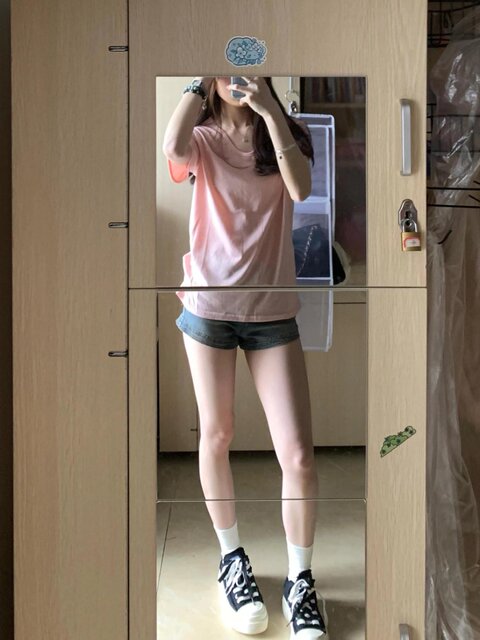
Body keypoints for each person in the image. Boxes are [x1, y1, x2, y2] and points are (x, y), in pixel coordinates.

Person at [162, 76, 328, 638]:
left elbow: (300, 190)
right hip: (209, 307)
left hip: (272, 311)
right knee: (217, 434)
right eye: (226, 66)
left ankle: (300, 579)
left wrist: (269, 110)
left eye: (247, 64)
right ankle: (231, 559)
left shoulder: (286, 132)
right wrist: (198, 79)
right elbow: (171, 147)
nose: (236, 76)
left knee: (298, 454)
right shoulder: (203, 139)